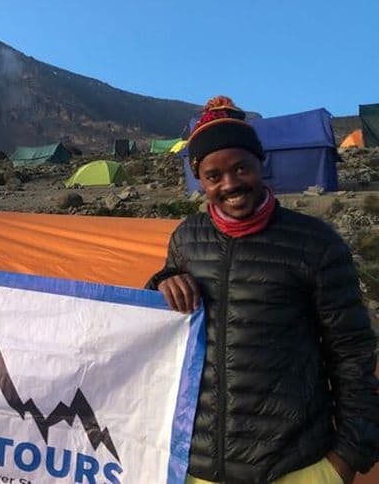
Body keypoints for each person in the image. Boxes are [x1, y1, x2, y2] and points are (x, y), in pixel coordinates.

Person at [147, 96, 378, 484]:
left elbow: (353, 352)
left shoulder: (316, 243)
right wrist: (160, 283)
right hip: (196, 466)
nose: (231, 184)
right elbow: (160, 326)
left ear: (261, 163)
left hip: (294, 467)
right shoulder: (187, 238)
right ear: (199, 179)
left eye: (241, 168)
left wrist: (347, 458)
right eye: (214, 175)